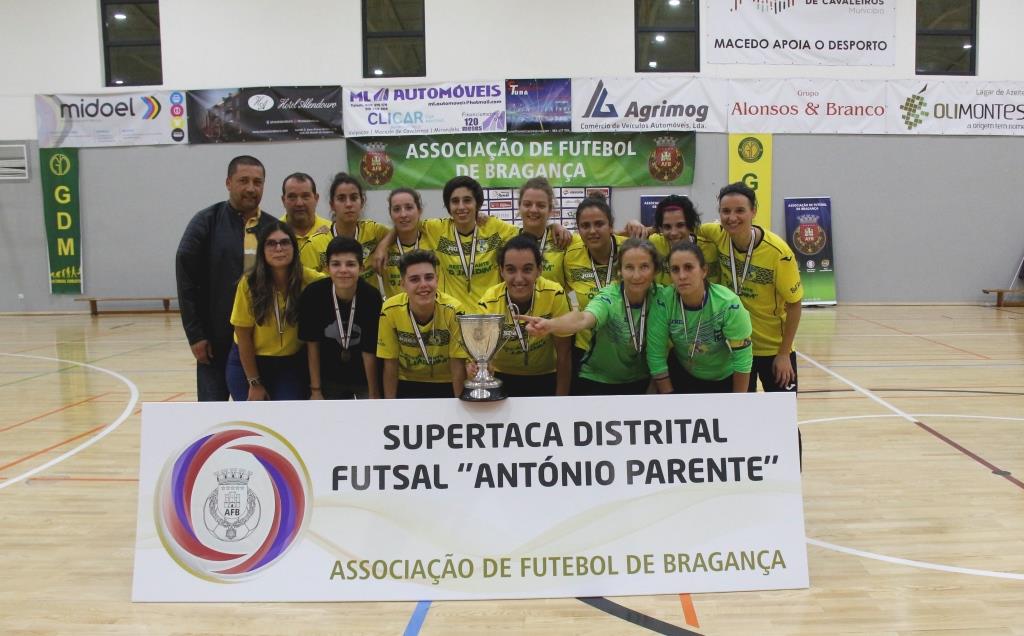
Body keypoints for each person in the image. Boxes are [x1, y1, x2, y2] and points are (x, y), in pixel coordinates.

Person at [175, 155, 278, 401]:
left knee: (262, 416)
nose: (251, 188)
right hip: (215, 344)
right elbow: (186, 279)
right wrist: (195, 335)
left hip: (263, 346)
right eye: (243, 181)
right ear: (228, 183)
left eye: (257, 182)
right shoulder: (206, 222)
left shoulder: (274, 228)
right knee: (214, 415)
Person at [698, 182, 803, 393]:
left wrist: (784, 354)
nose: (732, 217)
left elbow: (795, 305)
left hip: (772, 349)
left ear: (753, 211)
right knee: (740, 411)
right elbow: (680, 226)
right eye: (726, 211)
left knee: (782, 413)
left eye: (740, 210)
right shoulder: (717, 234)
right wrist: (643, 229)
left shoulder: (778, 253)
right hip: (735, 346)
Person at [524, 238, 661, 395]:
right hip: (598, 380)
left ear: (655, 270)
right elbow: (583, 319)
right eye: (629, 267)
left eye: (644, 267)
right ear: (620, 271)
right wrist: (550, 325)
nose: (636, 276)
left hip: (641, 379)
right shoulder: (609, 297)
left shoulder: (662, 297)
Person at [226, 222, 325, 401]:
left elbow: (341, 281)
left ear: (294, 248)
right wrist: (254, 382)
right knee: (254, 415)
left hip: (290, 365)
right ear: (262, 251)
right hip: (249, 363)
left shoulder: (310, 280)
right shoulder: (249, 284)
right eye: (271, 243)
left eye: (285, 242)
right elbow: (243, 336)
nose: (279, 248)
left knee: (287, 413)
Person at [648, 242, 753, 394]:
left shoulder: (728, 303)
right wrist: (669, 396)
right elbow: (655, 354)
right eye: (675, 269)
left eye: (688, 267)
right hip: (684, 374)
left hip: (725, 377)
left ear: (704, 271)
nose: (682, 276)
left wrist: (738, 401)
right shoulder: (663, 301)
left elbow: (743, 359)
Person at [476, 235, 572, 397]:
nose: (519, 279)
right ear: (501, 271)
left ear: (539, 270)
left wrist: (560, 401)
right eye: (511, 270)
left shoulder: (554, 293)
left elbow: (564, 353)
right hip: (501, 377)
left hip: (546, 376)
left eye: (527, 269)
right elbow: (482, 355)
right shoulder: (489, 301)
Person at [299, 236, 383, 399]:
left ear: (361, 268)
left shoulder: (371, 297)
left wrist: (374, 393)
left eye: (350, 264)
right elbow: (312, 345)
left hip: (362, 377)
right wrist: (316, 390)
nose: (343, 270)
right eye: (336, 264)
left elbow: (369, 350)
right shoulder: (313, 295)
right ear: (327, 268)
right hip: (327, 377)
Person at [377, 250, 468, 398]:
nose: (423, 285)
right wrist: (390, 406)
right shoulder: (389, 310)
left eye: (429, 277)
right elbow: (390, 363)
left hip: (446, 382)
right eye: (414, 279)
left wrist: (459, 404)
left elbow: (457, 364)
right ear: (403, 284)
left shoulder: (454, 310)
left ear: (437, 280)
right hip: (407, 382)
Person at [560, 193, 628, 355]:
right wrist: (575, 310)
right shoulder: (571, 256)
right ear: (578, 229)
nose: (592, 231)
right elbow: (569, 290)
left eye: (599, 224)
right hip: (586, 347)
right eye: (585, 225)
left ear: (611, 226)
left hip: (626, 346)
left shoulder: (629, 250)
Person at [327, 173, 390, 295]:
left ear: (362, 202)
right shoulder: (318, 241)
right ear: (332, 205)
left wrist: (382, 246)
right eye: (341, 199)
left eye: (354, 198)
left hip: (369, 301)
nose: (348, 204)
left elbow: (397, 231)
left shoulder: (373, 230)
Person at [647, 194, 718, 284]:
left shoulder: (708, 250)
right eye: (667, 227)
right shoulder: (654, 243)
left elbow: (711, 286)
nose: (673, 233)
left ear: (690, 225)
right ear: (661, 228)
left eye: (680, 225)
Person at [517, 177, 566, 289]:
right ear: (519, 207)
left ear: (550, 210)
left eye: (541, 205)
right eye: (527, 204)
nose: (533, 210)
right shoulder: (508, 239)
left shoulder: (562, 240)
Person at [281, 172, 332, 272]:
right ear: (283, 200)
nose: (299, 203)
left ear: (316, 199)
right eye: (292, 197)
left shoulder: (333, 232)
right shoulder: (272, 234)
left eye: (305, 196)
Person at [380, 187, 426, 298]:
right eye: (396, 209)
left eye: (409, 208)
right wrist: (381, 247)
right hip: (395, 308)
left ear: (419, 210)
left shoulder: (433, 236)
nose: (403, 214)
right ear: (390, 213)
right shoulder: (381, 241)